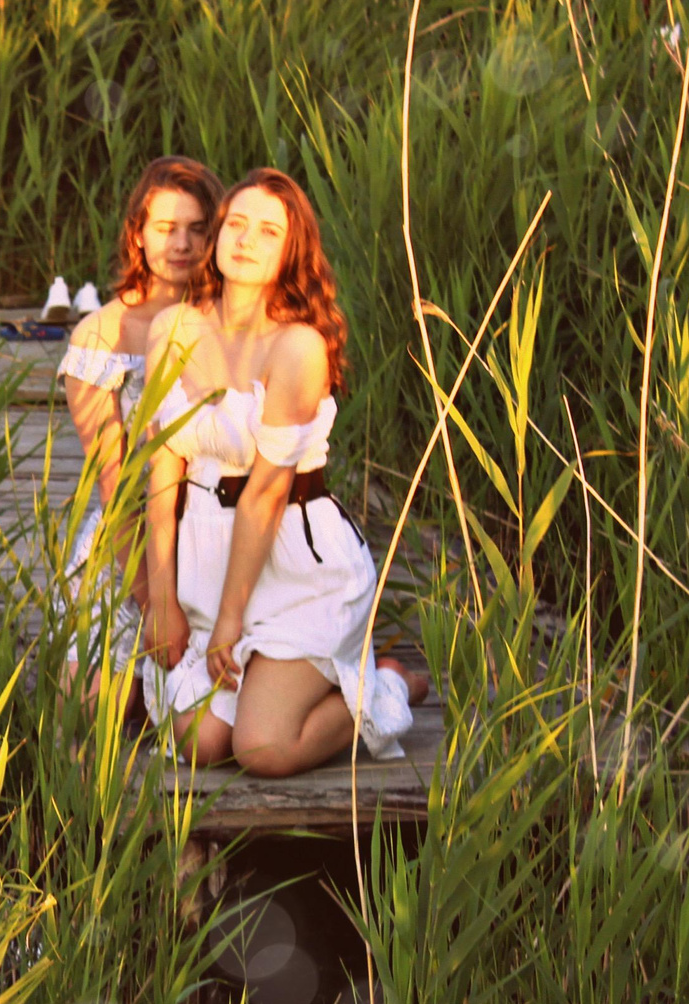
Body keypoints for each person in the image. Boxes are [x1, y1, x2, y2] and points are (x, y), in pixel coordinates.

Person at [139, 169, 425, 774]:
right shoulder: (174, 329)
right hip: (207, 558)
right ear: (218, 235)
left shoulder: (298, 346)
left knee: (262, 749)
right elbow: (162, 476)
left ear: (290, 251)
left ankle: (386, 689)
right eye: (236, 224)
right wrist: (161, 595)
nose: (245, 240)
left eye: (268, 231)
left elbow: (266, 496)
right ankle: (311, 679)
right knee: (201, 745)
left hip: (295, 568)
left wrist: (229, 621)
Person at [54, 156, 222, 698]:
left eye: (198, 229)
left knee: (200, 705)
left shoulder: (225, 322)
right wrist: (154, 599)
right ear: (138, 236)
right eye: (166, 229)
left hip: (212, 528)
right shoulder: (100, 333)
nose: (182, 245)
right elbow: (114, 482)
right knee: (97, 701)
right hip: (129, 544)